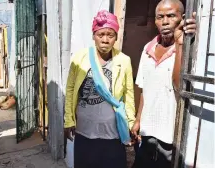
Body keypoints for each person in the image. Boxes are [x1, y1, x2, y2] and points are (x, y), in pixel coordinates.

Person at [64, 10, 136, 168]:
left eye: (110, 35)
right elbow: (70, 90)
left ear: (116, 37)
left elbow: (129, 93)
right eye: (100, 34)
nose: (105, 40)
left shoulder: (124, 61)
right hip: (84, 131)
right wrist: (68, 120)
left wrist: (130, 124)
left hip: (113, 133)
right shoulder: (79, 59)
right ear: (93, 35)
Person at [131, 0, 196, 167]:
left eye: (171, 16)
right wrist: (138, 120)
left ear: (182, 18)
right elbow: (145, 89)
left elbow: (179, 86)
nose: (165, 21)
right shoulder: (147, 49)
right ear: (155, 21)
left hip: (170, 139)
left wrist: (180, 43)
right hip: (147, 133)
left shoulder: (189, 48)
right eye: (160, 17)